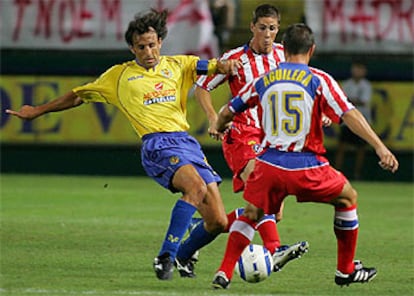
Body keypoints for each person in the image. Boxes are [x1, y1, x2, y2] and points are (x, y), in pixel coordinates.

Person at [5, 8, 242, 281]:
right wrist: (38, 111)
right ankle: (165, 255)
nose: (148, 51)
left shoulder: (180, 65)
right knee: (196, 188)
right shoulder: (118, 76)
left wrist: (227, 66)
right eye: (141, 47)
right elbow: (77, 96)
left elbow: (214, 66)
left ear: (160, 43)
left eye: (152, 45)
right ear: (132, 48)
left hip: (187, 143)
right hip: (157, 145)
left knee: (218, 221)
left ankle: (182, 253)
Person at [211, 23, 399, 289]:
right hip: (307, 166)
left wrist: (218, 127)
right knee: (348, 197)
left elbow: (228, 111)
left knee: (253, 212)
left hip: (268, 166)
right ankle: (345, 270)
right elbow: (349, 114)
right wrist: (380, 146)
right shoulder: (318, 79)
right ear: (312, 50)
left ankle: (224, 271)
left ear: (283, 49)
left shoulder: (264, 80)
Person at [176, 4, 309, 278]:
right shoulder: (236, 58)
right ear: (252, 27)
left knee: (268, 212)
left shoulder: (285, 56)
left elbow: (305, 84)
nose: (268, 34)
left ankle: (203, 228)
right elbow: (202, 87)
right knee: (261, 192)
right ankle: (275, 247)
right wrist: (214, 118)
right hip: (241, 135)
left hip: (271, 139)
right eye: (262, 28)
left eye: (273, 28)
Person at [335, 61, 373, 180]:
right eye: (356, 69)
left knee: (361, 149)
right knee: (341, 147)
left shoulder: (366, 85)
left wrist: (350, 101)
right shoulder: (347, 84)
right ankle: (337, 173)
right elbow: (342, 101)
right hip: (347, 121)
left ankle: (357, 174)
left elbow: (363, 101)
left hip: (362, 121)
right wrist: (352, 101)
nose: (357, 71)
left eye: (360, 69)